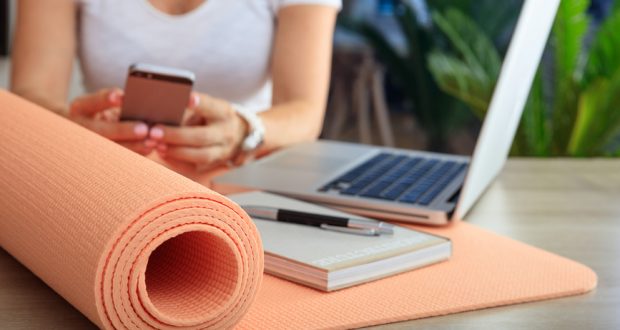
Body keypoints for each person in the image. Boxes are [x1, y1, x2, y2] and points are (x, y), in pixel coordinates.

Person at [10, 0, 340, 171]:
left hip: (245, 177)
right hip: (109, 173)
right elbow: (30, 96)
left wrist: (244, 128)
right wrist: (74, 126)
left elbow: (305, 110)